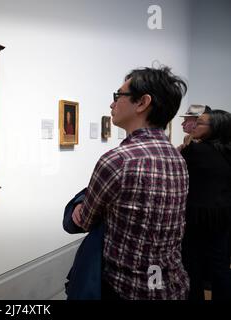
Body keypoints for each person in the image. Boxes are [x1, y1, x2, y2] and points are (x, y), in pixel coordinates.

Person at [71, 66, 189, 299]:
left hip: (126, 288)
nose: (112, 104)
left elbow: (84, 220)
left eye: (118, 96)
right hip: (172, 284)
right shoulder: (178, 157)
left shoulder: (117, 160)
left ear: (142, 102)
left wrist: (78, 207)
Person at [181, 109, 231, 300]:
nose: (194, 125)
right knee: (219, 266)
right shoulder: (226, 152)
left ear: (215, 128)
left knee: (192, 266)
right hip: (223, 216)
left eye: (199, 123)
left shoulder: (195, 151)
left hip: (196, 216)